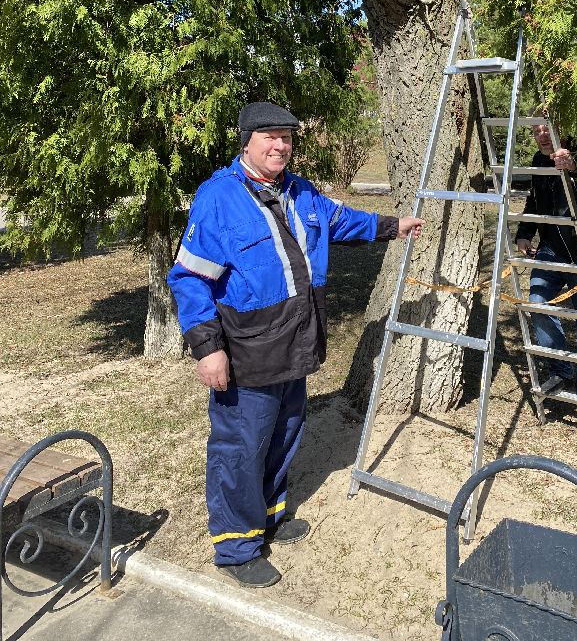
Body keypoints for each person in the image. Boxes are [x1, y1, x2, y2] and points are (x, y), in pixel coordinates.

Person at [167, 101, 423, 588]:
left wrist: (394, 226)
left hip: (295, 344)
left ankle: (269, 515)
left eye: (286, 137)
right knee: (241, 446)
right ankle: (238, 547)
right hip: (245, 351)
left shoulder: (300, 192)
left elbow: (342, 221)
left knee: (284, 433)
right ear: (247, 142)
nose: (280, 145)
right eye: (270, 137)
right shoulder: (218, 198)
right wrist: (207, 348)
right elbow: (189, 279)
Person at [514, 117, 577, 420]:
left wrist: (575, 168)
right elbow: (534, 202)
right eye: (536, 130)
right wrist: (524, 233)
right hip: (552, 249)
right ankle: (560, 367)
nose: (541, 135)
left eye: (547, 128)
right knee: (538, 303)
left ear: (562, 126)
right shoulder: (537, 160)